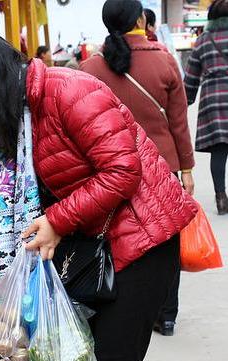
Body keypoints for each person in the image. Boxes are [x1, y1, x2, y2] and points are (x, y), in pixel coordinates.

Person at [0, 28, 196, 361]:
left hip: (141, 243)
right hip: (99, 248)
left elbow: (123, 170)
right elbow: (30, 210)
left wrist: (58, 221)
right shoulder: (21, 119)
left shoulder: (69, 91)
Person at [80, 0, 195, 337]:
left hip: (108, 173)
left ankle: (117, 305)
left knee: (117, 240)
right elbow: (178, 123)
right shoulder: (163, 60)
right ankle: (166, 314)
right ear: (141, 20)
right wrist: (186, 167)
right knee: (165, 241)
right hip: (162, 170)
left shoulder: (90, 68)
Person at [184, 0, 228, 215]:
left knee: (219, 151)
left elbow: (191, 77)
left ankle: (221, 198)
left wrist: (185, 100)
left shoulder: (203, 40)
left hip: (214, 99)